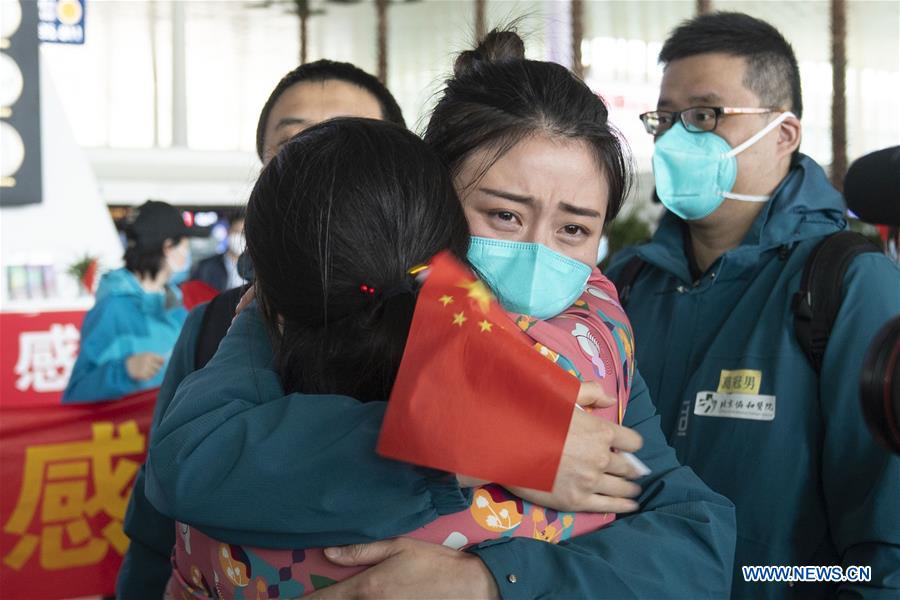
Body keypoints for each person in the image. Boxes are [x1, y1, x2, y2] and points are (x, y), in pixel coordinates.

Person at [146, 30, 736, 599]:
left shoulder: (592, 343)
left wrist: (490, 581)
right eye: (504, 216)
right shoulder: (291, 312)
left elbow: (693, 536)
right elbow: (187, 470)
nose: (538, 253)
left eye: (575, 229)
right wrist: (479, 447)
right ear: (428, 196)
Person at [607, 12, 900, 598]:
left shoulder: (848, 284)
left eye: (705, 115)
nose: (675, 136)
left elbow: (881, 557)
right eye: (665, 117)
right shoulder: (625, 284)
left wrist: (766, 579)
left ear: (784, 134)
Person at [116, 60, 407, 598]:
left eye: (352, 142)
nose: (323, 169)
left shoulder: (470, 325)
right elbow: (156, 525)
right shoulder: (213, 326)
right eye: (293, 148)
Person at [62, 200, 202, 403]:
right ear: (168, 247)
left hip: (171, 431)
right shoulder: (112, 309)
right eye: (185, 245)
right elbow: (76, 393)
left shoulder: (177, 306)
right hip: (130, 432)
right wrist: (125, 370)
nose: (187, 254)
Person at [191, 216, 246, 292]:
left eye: (244, 234)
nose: (240, 238)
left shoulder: (257, 270)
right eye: (237, 232)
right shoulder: (206, 267)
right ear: (228, 232)